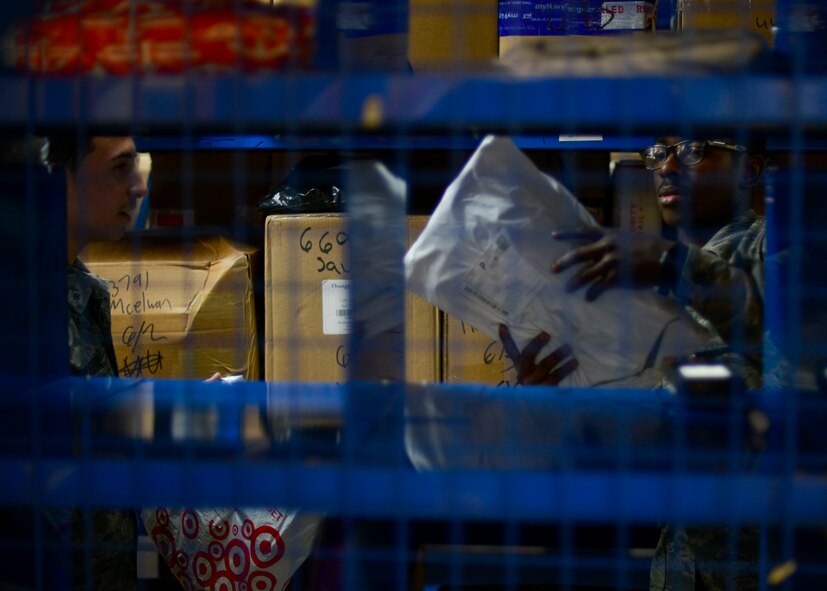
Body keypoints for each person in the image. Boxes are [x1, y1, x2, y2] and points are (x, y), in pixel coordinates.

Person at [500, 136, 770, 590]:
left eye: (692, 151)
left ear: (748, 170)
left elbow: (783, 329)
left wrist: (671, 262)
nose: (666, 167)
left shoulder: (777, 253)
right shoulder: (647, 285)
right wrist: (552, 395)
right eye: (658, 153)